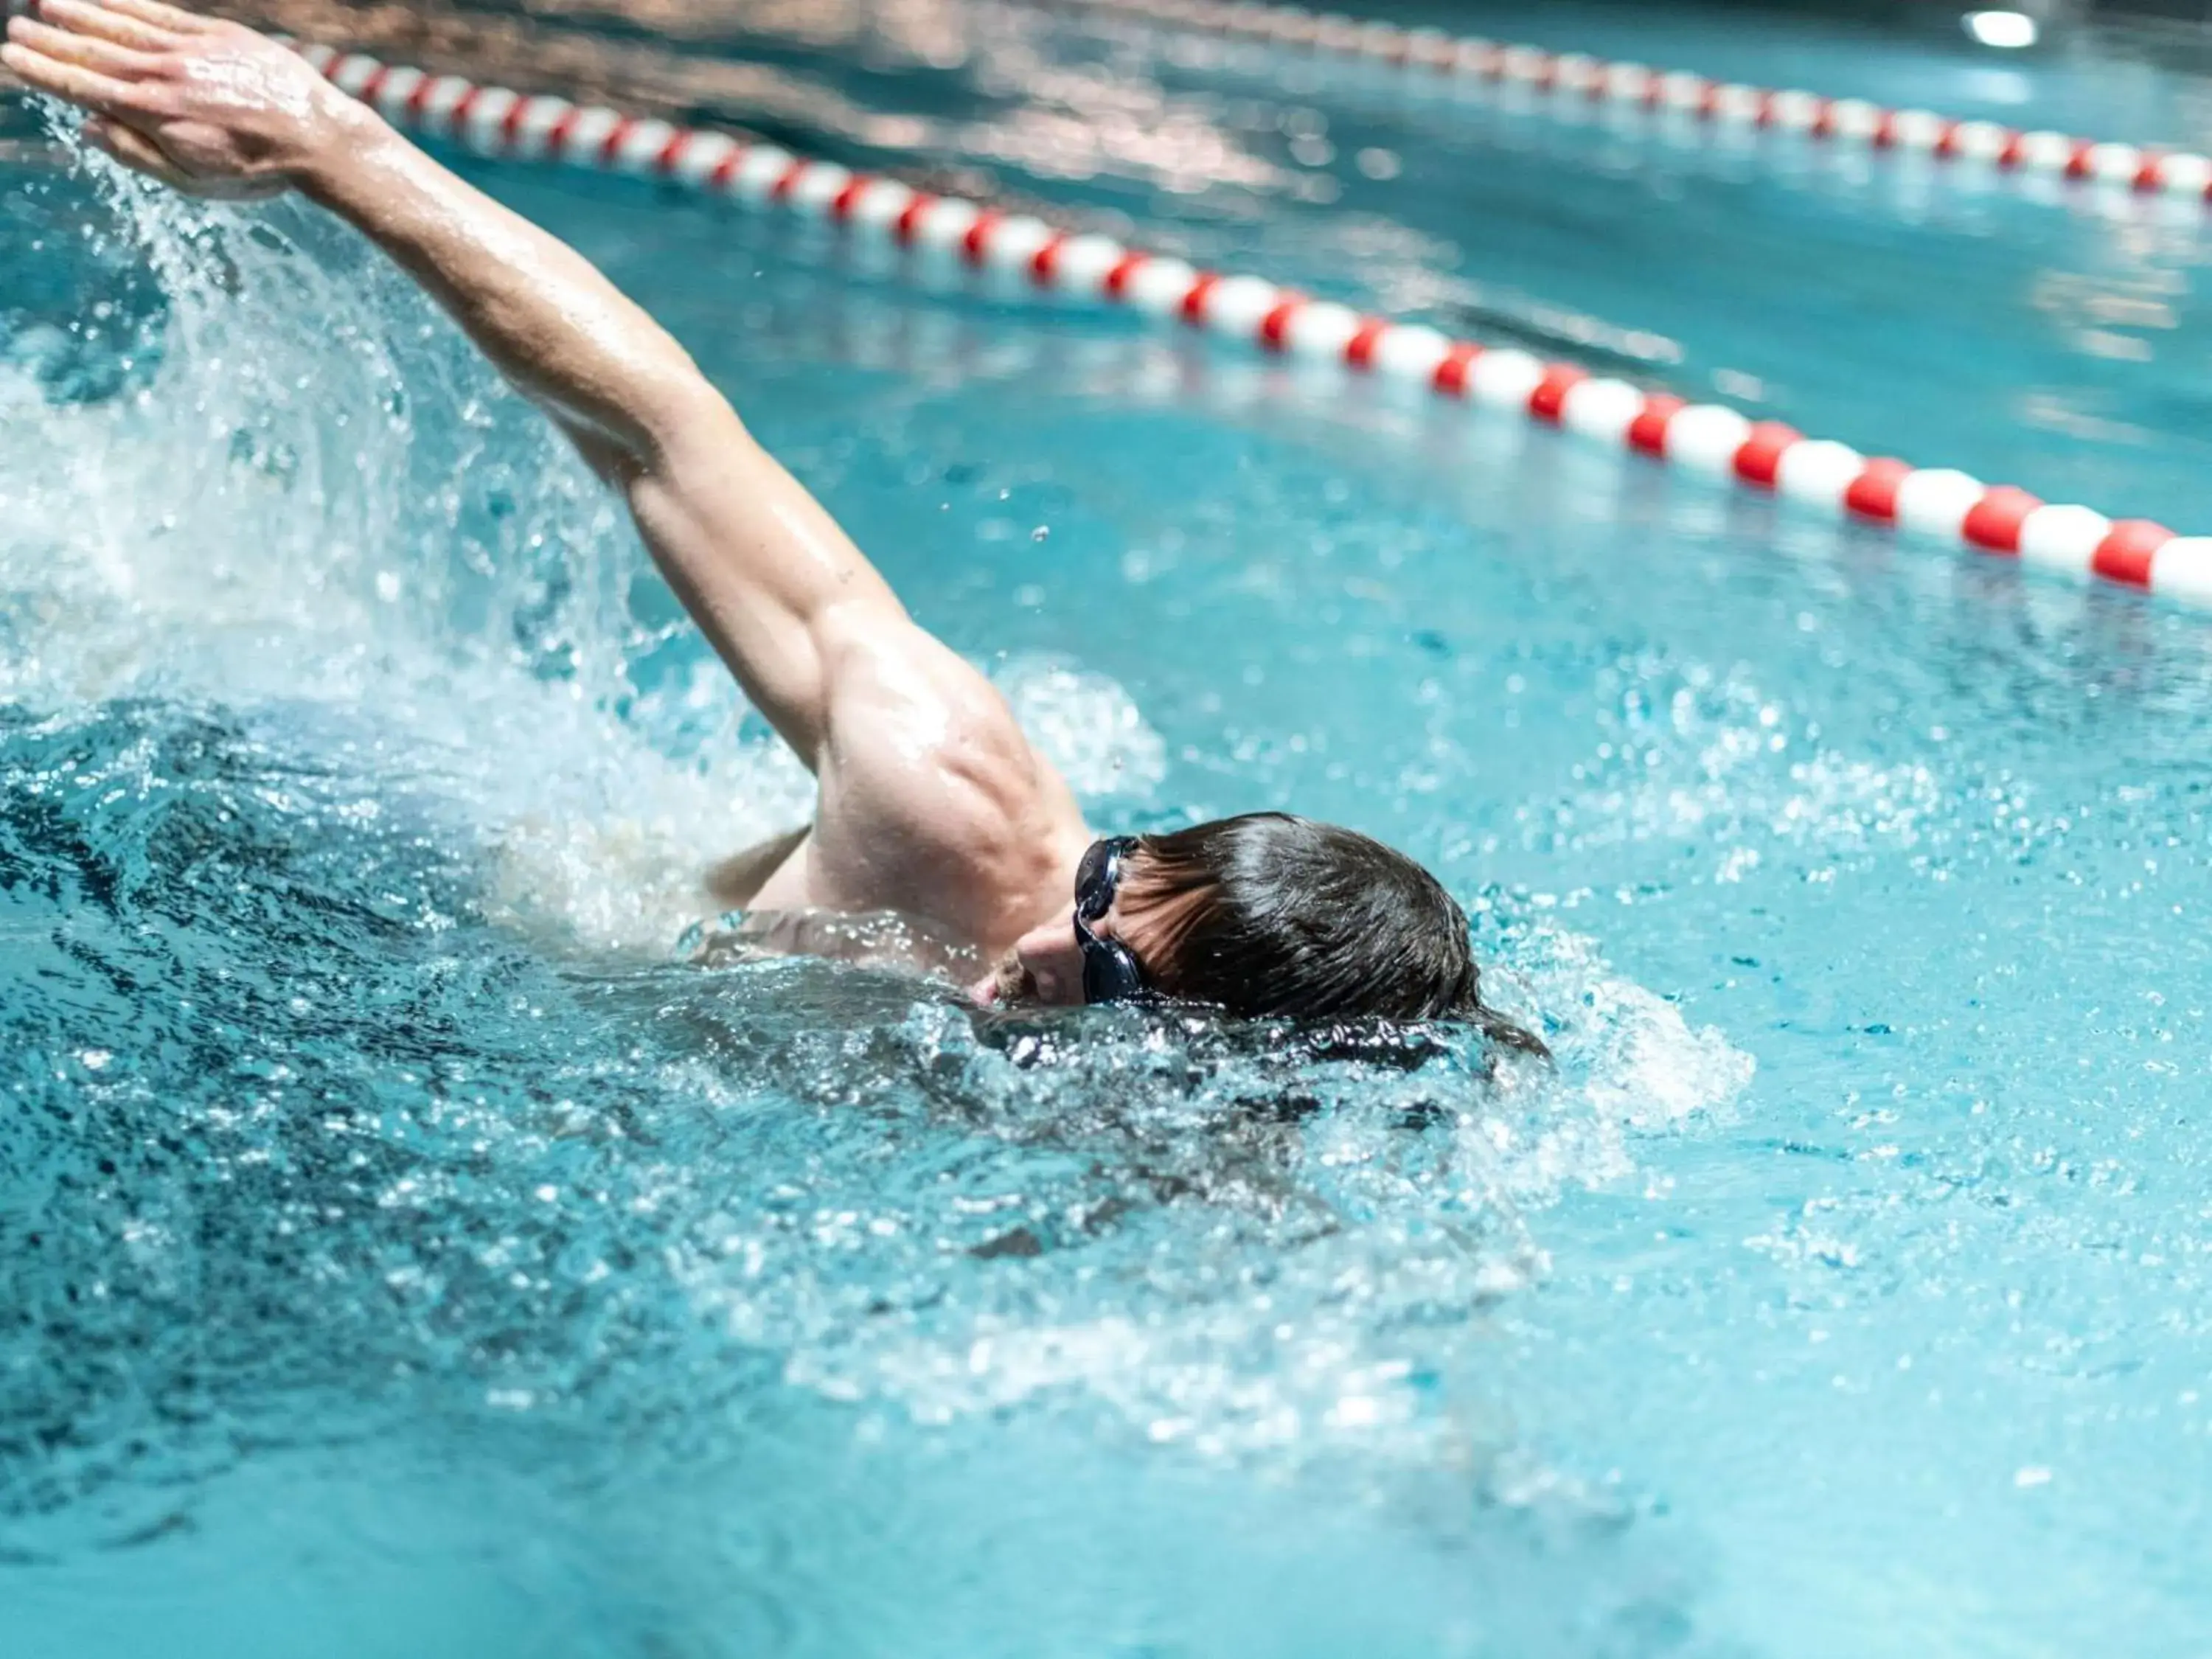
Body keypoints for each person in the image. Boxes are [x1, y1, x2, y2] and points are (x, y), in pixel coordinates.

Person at [3, 0, 1543, 1049]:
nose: (1064, 947)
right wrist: (339, 148)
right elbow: (661, 425)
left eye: (1124, 983)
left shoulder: (1235, 1096)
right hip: (417, 826)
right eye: (1104, 887)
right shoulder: (946, 790)